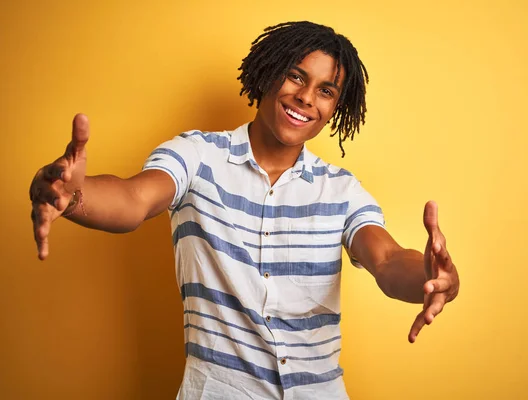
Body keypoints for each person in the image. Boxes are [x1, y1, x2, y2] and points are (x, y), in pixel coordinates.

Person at [29, 21, 459, 399]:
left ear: (334, 109)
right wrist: (73, 196)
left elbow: (385, 259)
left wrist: (431, 276)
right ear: (268, 72)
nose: (307, 98)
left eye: (325, 91)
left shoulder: (342, 190)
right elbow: (133, 199)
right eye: (296, 76)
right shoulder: (197, 156)